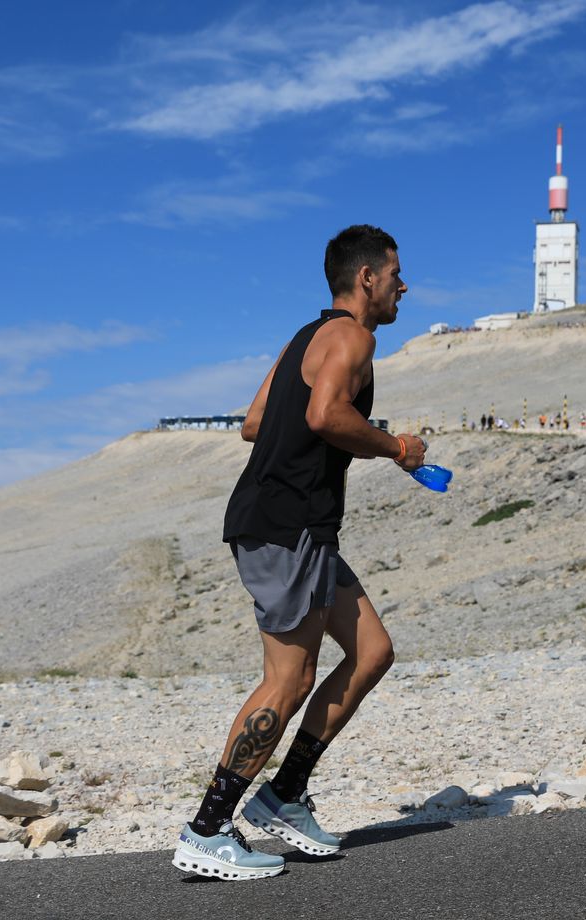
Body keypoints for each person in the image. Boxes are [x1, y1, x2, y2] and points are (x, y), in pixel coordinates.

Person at [173, 225, 424, 881]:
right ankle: (208, 829)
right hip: (291, 528)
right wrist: (397, 449)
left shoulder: (303, 339)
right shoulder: (354, 337)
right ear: (366, 278)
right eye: (396, 273)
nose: (405, 285)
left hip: (294, 527)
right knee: (289, 678)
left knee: (373, 650)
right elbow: (322, 417)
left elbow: (255, 423)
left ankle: (284, 795)